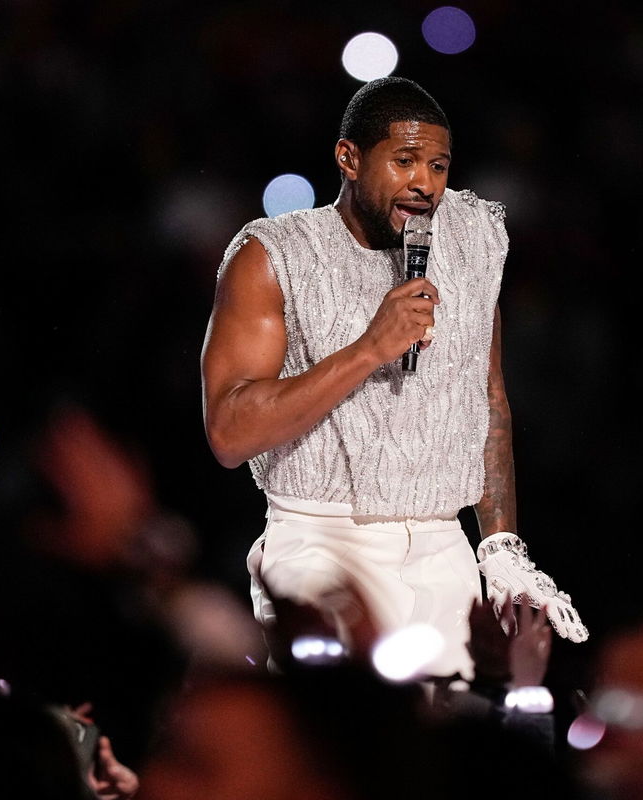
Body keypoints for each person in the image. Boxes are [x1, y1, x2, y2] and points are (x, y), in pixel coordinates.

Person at [200, 77, 586, 680]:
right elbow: (228, 430)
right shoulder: (274, 254)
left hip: (441, 546)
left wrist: (501, 548)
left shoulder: (472, 238)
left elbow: (486, 402)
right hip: (321, 544)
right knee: (345, 755)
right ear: (349, 158)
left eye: (437, 165)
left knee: (444, 762)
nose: (425, 184)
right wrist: (369, 349)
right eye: (404, 161)